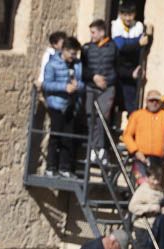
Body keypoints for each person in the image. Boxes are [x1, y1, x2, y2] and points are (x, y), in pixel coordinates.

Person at [42, 37, 84, 177]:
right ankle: (50, 167)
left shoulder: (77, 65)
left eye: (75, 54)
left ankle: (64, 168)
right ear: (64, 50)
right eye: (71, 54)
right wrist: (64, 88)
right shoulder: (52, 65)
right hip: (57, 105)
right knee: (55, 136)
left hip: (72, 105)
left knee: (68, 137)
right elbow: (46, 85)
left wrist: (78, 86)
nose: (73, 57)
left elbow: (82, 82)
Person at [121, 90, 164, 177]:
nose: (154, 103)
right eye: (151, 100)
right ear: (146, 101)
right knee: (141, 185)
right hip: (141, 157)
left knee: (155, 186)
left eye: (157, 101)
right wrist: (136, 151)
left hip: (158, 159)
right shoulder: (137, 115)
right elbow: (127, 135)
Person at [81, 19, 117, 164]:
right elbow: (83, 69)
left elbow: (118, 65)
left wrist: (108, 81)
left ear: (102, 32)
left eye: (94, 32)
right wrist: (94, 77)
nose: (92, 35)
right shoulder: (86, 48)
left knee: (102, 118)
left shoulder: (113, 47)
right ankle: (92, 149)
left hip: (107, 88)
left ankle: (101, 150)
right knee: (91, 117)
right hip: (91, 86)